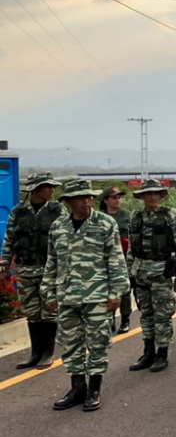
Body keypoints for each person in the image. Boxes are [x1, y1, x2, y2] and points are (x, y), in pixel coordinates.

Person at [42, 179, 129, 411]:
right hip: (67, 295)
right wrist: (48, 292)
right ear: (69, 201)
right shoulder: (58, 226)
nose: (86, 200)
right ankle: (77, 387)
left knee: (98, 342)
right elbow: (52, 262)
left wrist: (115, 292)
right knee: (71, 344)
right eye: (81, 197)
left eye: (89, 196)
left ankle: (94, 389)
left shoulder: (105, 223)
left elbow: (116, 260)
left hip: (97, 295)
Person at [0, 172, 64, 370]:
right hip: (25, 269)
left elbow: (65, 240)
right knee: (32, 312)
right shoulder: (18, 212)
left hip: (49, 270)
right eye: (47, 187)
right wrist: (4, 267)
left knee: (49, 313)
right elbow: (9, 240)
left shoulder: (57, 211)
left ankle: (48, 352)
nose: (52, 190)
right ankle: (35, 353)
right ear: (36, 190)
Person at [127, 179, 176, 374]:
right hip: (140, 272)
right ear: (142, 196)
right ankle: (148, 352)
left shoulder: (170, 216)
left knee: (162, 314)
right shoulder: (135, 217)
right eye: (147, 193)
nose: (151, 197)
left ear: (160, 195)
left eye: (155, 193)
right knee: (146, 314)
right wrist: (129, 273)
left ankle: (162, 353)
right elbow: (131, 249)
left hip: (161, 272)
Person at [99, 186, 133, 334]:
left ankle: (125, 319)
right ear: (106, 200)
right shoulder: (98, 217)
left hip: (123, 259)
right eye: (114, 197)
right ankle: (110, 318)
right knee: (106, 290)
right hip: (103, 259)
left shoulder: (127, 216)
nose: (117, 200)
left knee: (124, 289)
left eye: (119, 197)